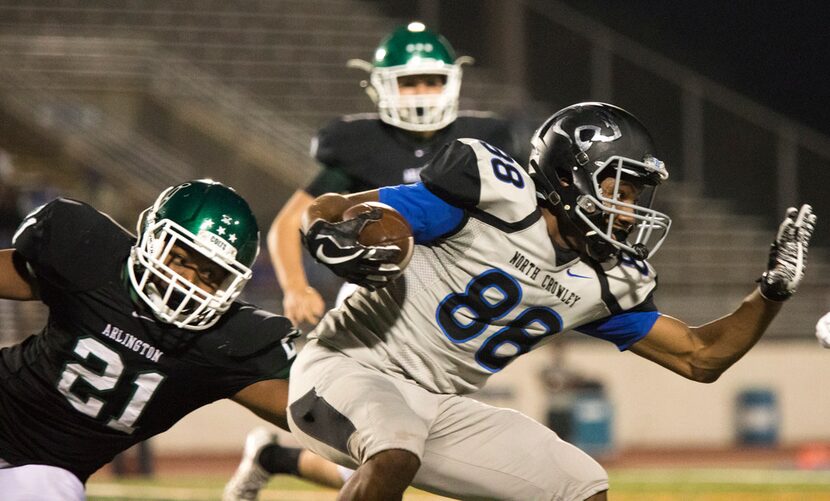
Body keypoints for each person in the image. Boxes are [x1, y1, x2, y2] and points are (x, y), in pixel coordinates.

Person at [286, 102, 816, 501]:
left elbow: (701, 357)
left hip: (439, 406)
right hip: (346, 368)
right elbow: (336, 208)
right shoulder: (493, 196)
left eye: (636, 198)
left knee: (580, 484)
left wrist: (770, 292)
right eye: (621, 191)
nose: (628, 214)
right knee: (393, 448)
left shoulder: (606, 279)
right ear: (567, 174)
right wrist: (333, 234)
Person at [223, 20, 522, 500]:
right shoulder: (359, 144)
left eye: (431, 80)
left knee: (407, 452)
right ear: (382, 85)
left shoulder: (482, 143)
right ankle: (275, 454)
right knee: (386, 449)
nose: (421, 92)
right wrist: (295, 286)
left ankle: (272, 457)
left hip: (446, 311)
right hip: (376, 305)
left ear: (453, 82)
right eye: (409, 81)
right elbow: (288, 223)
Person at [0, 179, 302, 500]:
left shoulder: (224, 342)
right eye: (182, 258)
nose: (186, 281)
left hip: (45, 470)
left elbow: (310, 415)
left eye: (210, 274)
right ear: (152, 237)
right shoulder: (94, 260)